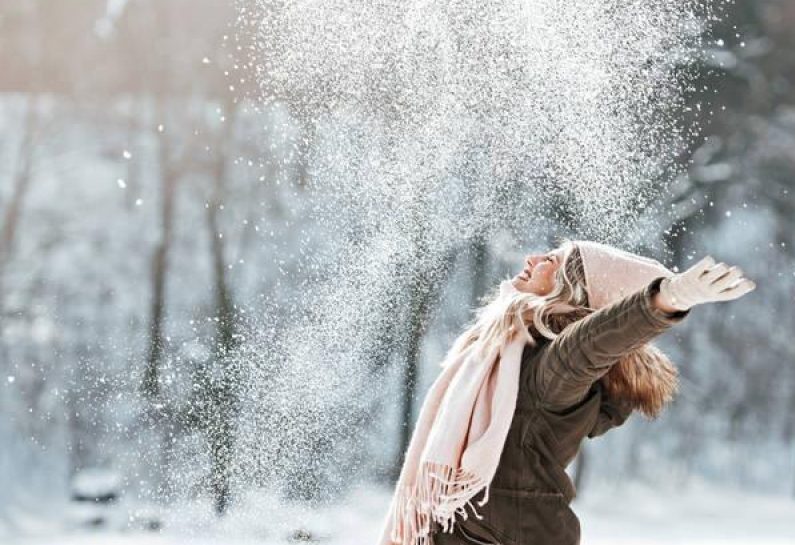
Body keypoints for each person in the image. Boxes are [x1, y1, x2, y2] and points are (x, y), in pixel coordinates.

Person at [378, 238, 756, 545]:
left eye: (554, 261)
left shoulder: (552, 367)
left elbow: (590, 344)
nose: (534, 258)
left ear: (572, 292)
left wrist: (664, 300)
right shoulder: (506, 355)